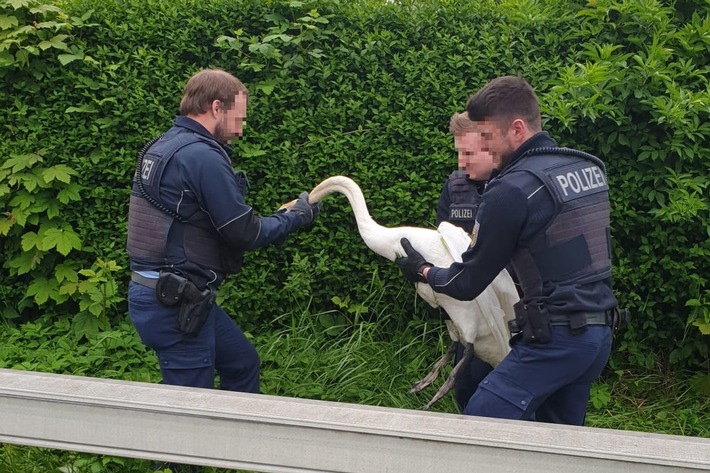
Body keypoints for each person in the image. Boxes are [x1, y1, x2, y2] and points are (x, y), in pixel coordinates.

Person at [397, 76, 616, 425]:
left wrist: (422, 271)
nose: (485, 148)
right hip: (598, 336)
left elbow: (467, 282)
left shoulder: (510, 190)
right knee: (557, 445)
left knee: (483, 424)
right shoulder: (587, 168)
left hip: (554, 340)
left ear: (516, 129)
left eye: (486, 137)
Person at [126, 68, 320, 394]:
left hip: (163, 295)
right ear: (217, 107)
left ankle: (240, 442)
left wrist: (281, 216)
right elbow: (244, 232)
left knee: (242, 362)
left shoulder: (165, 146)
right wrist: (296, 217)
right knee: (192, 411)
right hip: (174, 305)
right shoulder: (201, 155)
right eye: (238, 119)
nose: (240, 131)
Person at [435, 112, 500, 411]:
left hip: (511, 315)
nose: (461, 162)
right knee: (467, 392)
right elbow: (441, 245)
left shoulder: (517, 187)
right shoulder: (454, 186)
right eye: (459, 153)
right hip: (470, 311)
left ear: (493, 147)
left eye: (469, 153)